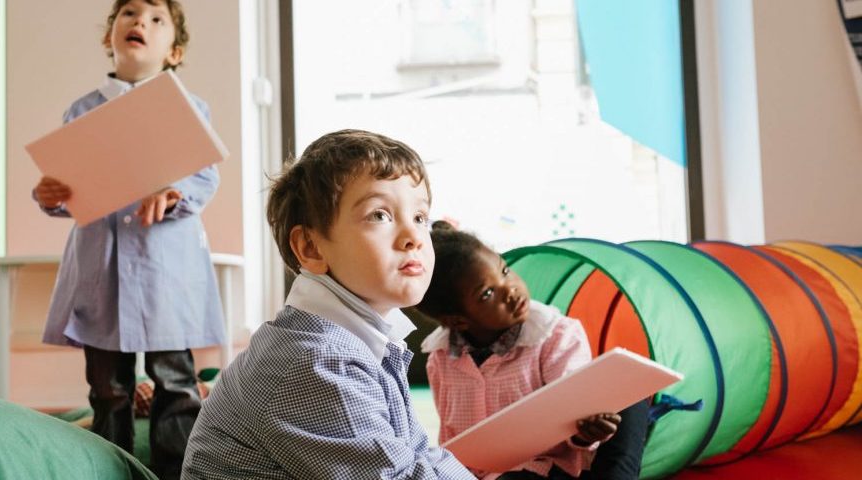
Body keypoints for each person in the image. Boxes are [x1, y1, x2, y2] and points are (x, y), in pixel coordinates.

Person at [182, 129, 474, 479]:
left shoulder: (360, 341)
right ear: (311, 248)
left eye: (420, 217)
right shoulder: (317, 361)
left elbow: (418, 453)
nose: (413, 237)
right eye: (379, 215)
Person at [32, 1, 224, 478]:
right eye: (130, 13)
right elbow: (68, 185)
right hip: (102, 267)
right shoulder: (82, 110)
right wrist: (50, 194)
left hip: (167, 269)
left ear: (174, 50)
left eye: (157, 19)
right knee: (108, 387)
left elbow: (204, 178)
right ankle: (111, 467)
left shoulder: (189, 109)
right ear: (110, 35)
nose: (140, 22)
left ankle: (177, 470)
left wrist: (174, 192)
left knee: (176, 382)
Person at [415, 228, 648, 480]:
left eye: (504, 271)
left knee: (631, 400)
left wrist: (585, 433)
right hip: (480, 474)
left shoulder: (556, 336)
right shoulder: (440, 360)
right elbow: (452, 440)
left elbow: (574, 423)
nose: (511, 290)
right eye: (487, 294)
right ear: (458, 321)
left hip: (548, 468)